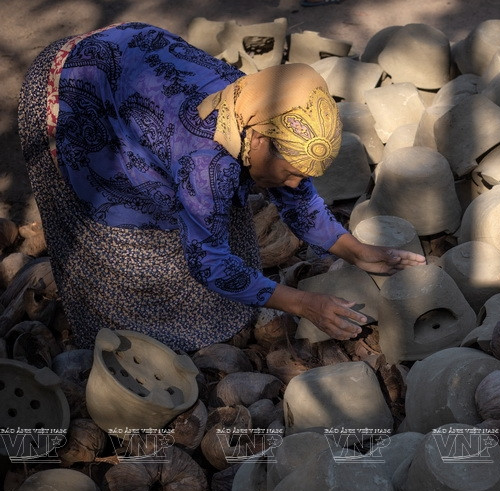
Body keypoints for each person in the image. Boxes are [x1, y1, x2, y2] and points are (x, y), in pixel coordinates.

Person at [18, 22, 425, 351]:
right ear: (260, 141)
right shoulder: (205, 157)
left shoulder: (259, 106)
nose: (298, 184)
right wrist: (306, 304)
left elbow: (298, 200)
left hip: (130, 68)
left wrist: (358, 252)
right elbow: (209, 262)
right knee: (127, 247)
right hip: (72, 91)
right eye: (293, 171)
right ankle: (120, 346)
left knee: (211, 231)